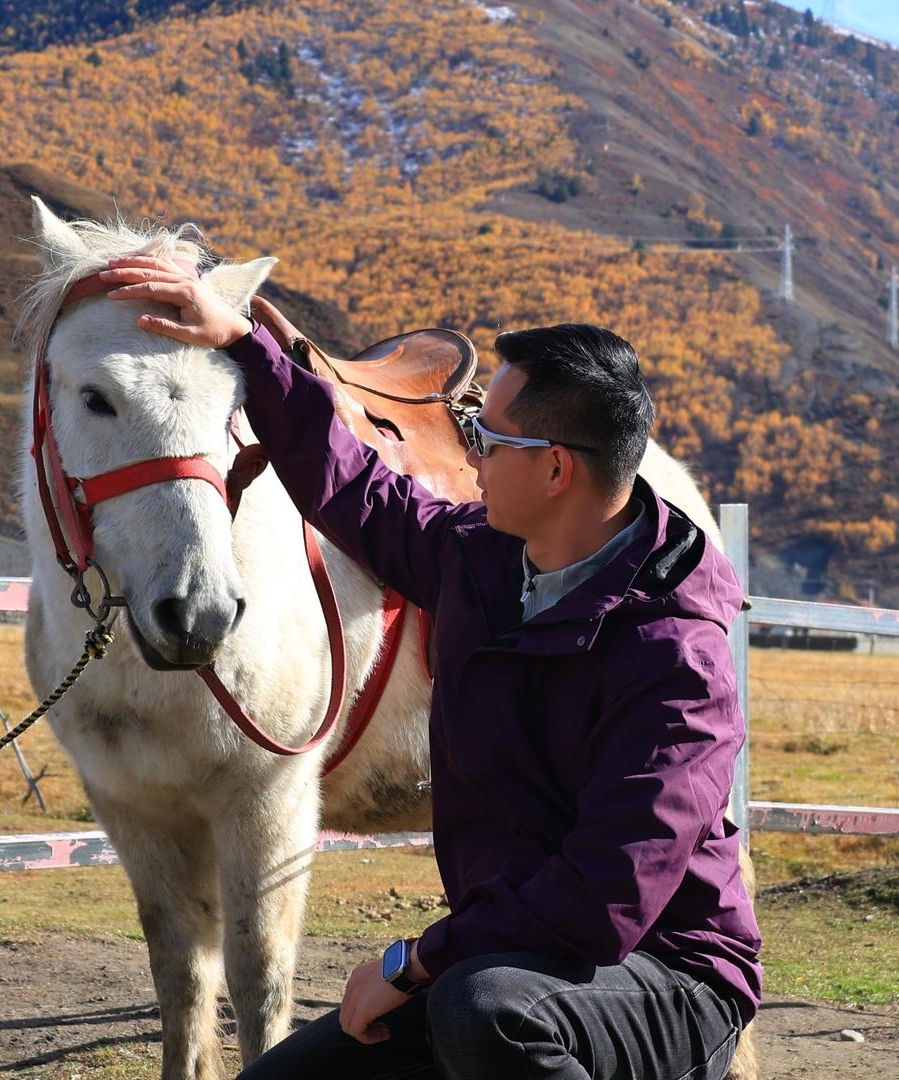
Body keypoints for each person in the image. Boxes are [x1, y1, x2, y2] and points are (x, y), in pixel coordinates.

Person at [99, 256, 762, 1080]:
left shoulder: (677, 662)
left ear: (556, 470)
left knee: (482, 1013)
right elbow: (351, 487)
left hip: (664, 975)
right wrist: (243, 342)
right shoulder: (480, 560)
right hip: (506, 956)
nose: (470, 454)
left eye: (486, 436)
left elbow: (605, 901)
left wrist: (414, 963)